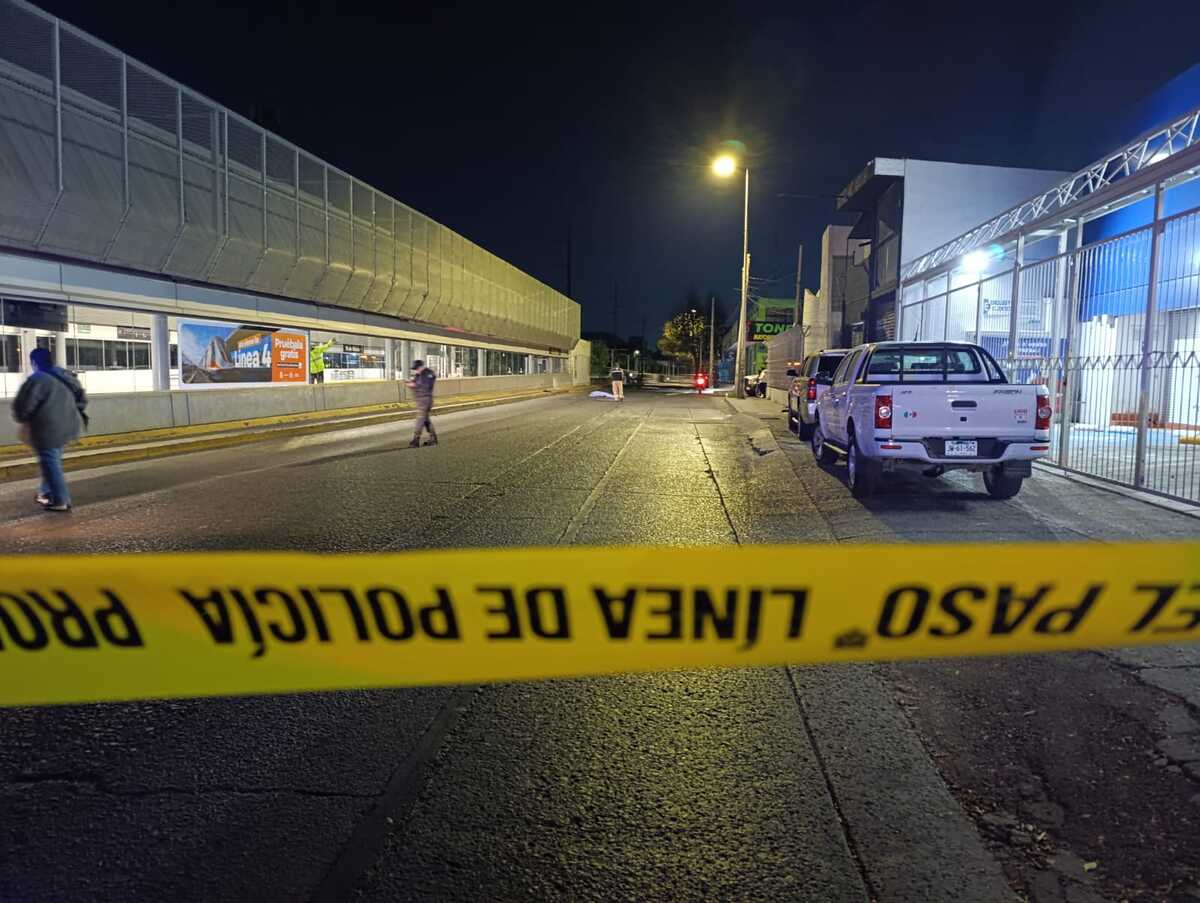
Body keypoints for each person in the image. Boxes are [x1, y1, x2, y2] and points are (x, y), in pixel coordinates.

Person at [12, 347, 88, 512]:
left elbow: (23, 406)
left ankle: (61, 500)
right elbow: (82, 400)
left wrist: (23, 418)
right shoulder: (65, 376)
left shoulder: (38, 379)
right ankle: (46, 492)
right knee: (51, 460)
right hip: (69, 426)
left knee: (50, 461)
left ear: (33, 362)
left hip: (48, 429)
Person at [407, 359, 437, 447]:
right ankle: (433, 440)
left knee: (420, 419)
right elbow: (415, 383)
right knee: (426, 420)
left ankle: (415, 440)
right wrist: (411, 384)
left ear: (421, 366)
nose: (416, 370)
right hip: (421, 400)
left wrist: (414, 385)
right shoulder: (418, 374)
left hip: (425, 400)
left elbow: (426, 386)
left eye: (417, 368)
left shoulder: (428, 373)